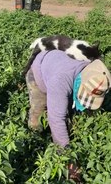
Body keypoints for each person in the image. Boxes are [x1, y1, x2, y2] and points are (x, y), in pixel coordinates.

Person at [25, 49, 111, 183]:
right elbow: (56, 120)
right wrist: (69, 162)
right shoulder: (60, 81)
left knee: (65, 111)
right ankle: (35, 142)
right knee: (38, 117)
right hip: (39, 73)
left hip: (56, 66)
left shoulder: (92, 73)